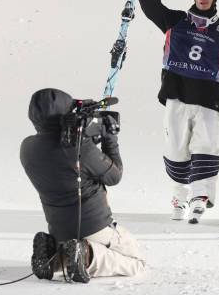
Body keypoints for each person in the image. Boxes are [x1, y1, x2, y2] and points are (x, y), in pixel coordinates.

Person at [129, 0, 219, 224]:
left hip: (208, 97)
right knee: (177, 147)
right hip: (177, 93)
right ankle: (179, 197)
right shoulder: (176, 20)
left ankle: (200, 196)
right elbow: (150, 4)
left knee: (206, 144)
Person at [21, 88, 145, 283]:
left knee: (70, 252)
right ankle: (88, 255)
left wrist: (85, 138)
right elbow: (115, 176)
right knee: (136, 262)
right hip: (95, 228)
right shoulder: (81, 150)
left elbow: (63, 159)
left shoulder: (27, 148)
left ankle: (53, 260)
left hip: (59, 229)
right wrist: (109, 139)